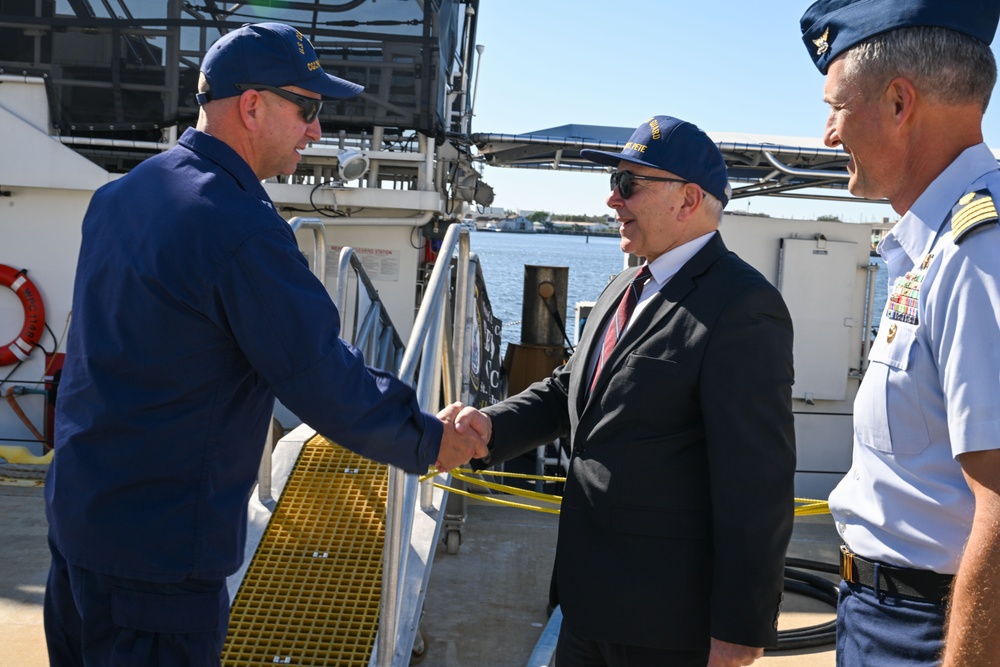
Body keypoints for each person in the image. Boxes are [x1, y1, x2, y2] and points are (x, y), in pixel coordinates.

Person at [43, 22, 486, 666]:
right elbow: (322, 376)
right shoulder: (240, 227)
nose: (317, 130)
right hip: (159, 573)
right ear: (252, 106)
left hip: (80, 528)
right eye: (306, 109)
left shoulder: (120, 196)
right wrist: (429, 440)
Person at [447, 116, 796, 667]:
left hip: (665, 625)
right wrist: (490, 426)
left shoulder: (743, 308)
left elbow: (757, 486)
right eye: (614, 183)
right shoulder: (625, 285)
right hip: (586, 603)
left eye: (629, 185)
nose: (612, 199)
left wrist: (739, 631)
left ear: (687, 199)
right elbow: (574, 387)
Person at [798, 1, 1000, 665]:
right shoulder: (933, 245)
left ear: (897, 102)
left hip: (933, 630)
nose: (828, 134)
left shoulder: (979, 251)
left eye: (836, 106)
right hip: (879, 614)